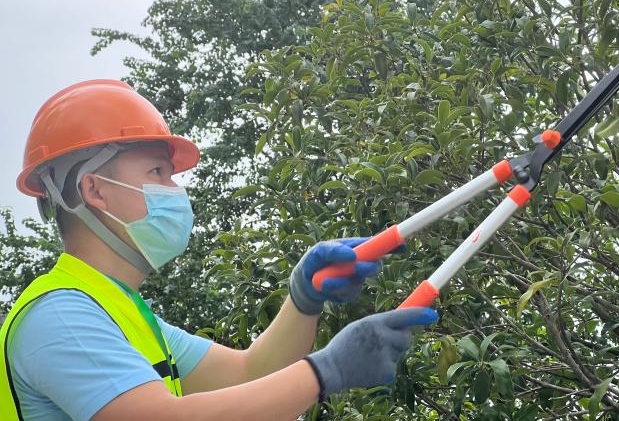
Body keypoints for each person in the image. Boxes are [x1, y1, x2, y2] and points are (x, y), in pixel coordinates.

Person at [0, 79, 437, 420]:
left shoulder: (121, 312)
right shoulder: (59, 315)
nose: (175, 191)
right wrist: (326, 372)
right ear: (94, 189)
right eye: (158, 171)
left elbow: (249, 375)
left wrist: (303, 299)